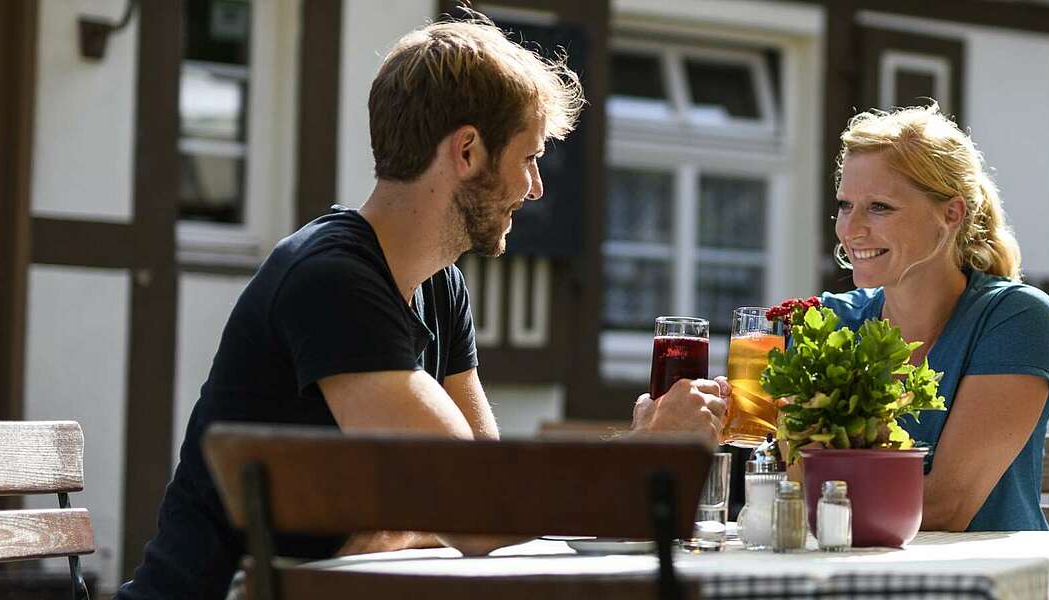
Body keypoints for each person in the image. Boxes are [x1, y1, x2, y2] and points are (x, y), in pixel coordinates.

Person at [114, 16, 725, 599]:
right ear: (466, 152)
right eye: (530, 157)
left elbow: (482, 495)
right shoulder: (332, 279)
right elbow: (479, 514)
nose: (535, 187)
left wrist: (413, 522)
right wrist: (645, 455)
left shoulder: (439, 286)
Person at [822, 103, 1049, 532]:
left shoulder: (1016, 317)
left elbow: (946, 506)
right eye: (845, 204)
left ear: (951, 214)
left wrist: (804, 494)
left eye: (879, 207)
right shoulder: (832, 323)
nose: (851, 229)